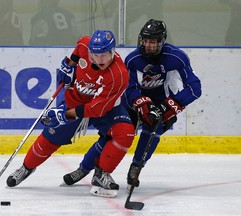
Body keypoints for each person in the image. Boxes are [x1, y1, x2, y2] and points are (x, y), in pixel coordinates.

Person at [62, 19, 202, 189]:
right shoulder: (133, 59)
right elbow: (128, 87)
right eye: (145, 41)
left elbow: (194, 88)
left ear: (162, 42)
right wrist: (142, 104)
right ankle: (84, 168)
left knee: (153, 131)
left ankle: (136, 167)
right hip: (134, 103)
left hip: (163, 103)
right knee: (111, 136)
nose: (148, 45)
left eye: (152, 42)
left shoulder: (176, 58)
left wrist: (168, 106)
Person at [6, 29, 135, 198]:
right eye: (95, 54)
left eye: (104, 54)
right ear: (90, 51)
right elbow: (78, 46)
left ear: (113, 52)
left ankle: (101, 174)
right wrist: (69, 65)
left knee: (124, 133)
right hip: (75, 101)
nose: (99, 59)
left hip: (107, 109)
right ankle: (26, 167)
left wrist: (65, 115)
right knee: (50, 138)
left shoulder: (119, 74)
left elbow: (96, 109)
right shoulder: (84, 44)